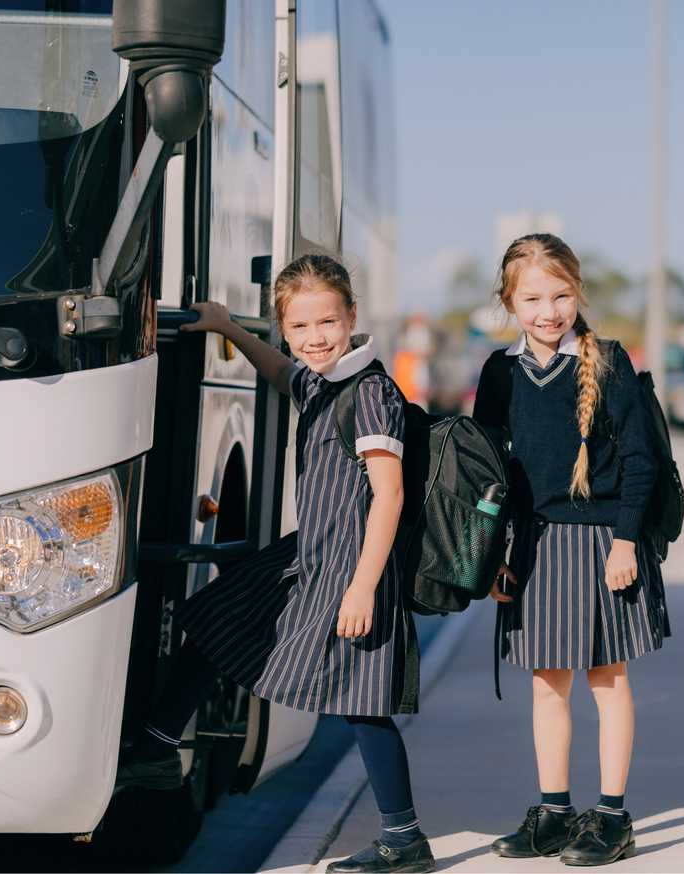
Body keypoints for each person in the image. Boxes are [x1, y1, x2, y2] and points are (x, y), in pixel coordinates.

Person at [134, 254, 434, 874]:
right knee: (220, 619)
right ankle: (160, 745)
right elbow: (280, 373)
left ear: (352, 315)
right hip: (307, 561)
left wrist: (362, 590)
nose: (315, 338)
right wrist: (228, 327)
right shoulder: (322, 380)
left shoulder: (371, 392)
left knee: (363, 702)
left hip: (352, 572)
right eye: (300, 328)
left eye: (328, 322)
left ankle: (404, 838)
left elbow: (391, 494)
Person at [473, 234, 670, 867]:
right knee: (546, 688)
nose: (547, 311)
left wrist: (624, 541)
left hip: (604, 545)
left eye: (559, 295)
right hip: (533, 548)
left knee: (607, 683)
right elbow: (487, 475)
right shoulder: (500, 373)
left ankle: (612, 817)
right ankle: (555, 812)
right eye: (531, 298)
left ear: (577, 292)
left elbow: (640, 461)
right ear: (508, 300)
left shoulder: (606, 361)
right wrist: (495, 555)